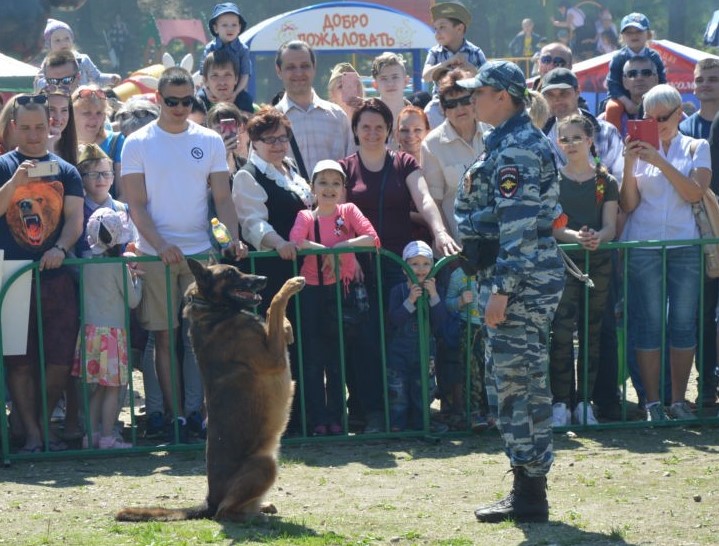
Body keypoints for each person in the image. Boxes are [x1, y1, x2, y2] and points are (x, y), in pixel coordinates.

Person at [454, 61, 565, 523]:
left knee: (517, 387)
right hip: (516, 278)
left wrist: (501, 291)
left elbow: (517, 230)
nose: (469, 100)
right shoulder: (507, 140)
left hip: (518, 284)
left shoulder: (517, 149)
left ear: (503, 96)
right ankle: (527, 484)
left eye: (477, 93)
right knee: (515, 384)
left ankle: (530, 493)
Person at [122, 67, 246, 443]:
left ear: (194, 99)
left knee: (198, 338)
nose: (179, 107)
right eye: (171, 101)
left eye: (186, 101)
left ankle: (196, 414)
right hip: (154, 253)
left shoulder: (209, 140)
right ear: (158, 99)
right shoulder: (137, 142)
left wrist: (232, 240)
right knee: (163, 338)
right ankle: (172, 416)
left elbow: (222, 199)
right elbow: (135, 206)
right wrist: (160, 246)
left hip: (199, 254)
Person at [340, 98, 460, 433]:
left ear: (388, 131)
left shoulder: (404, 162)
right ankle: (373, 412)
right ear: (355, 130)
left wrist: (438, 231)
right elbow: (335, 217)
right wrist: (347, 257)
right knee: (365, 341)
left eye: (379, 126)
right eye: (366, 126)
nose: (373, 132)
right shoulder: (345, 167)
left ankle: (414, 412)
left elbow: (423, 198)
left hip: (400, 266)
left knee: (405, 338)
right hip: (359, 269)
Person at [620, 84, 712, 422]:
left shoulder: (696, 146)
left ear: (679, 114)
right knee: (649, 323)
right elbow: (628, 203)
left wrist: (659, 159)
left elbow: (693, 192)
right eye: (647, 117)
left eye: (662, 117)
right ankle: (653, 403)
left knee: (683, 324)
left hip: (685, 244)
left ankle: (677, 399)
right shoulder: (634, 149)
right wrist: (630, 164)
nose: (655, 123)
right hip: (643, 243)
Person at [0, 93, 84, 453]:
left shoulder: (67, 170)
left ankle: (38, 423)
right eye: (27, 127)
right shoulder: (4, 166)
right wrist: (16, 182)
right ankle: (33, 434)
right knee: (17, 361)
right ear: (15, 127)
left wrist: (60, 248)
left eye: (40, 127)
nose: (34, 135)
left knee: (60, 361)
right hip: (12, 272)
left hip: (56, 275)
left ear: (50, 125)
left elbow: (75, 221)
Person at [289, 160, 379, 436]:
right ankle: (318, 419)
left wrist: (339, 247)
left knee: (338, 359)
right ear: (312, 187)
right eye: (323, 182)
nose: (329, 188)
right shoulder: (306, 216)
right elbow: (295, 241)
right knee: (313, 360)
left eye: (336, 183)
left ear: (343, 188)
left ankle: (338, 418)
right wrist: (326, 251)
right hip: (311, 293)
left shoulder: (348, 210)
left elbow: (372, 238)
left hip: (341, 291)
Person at [549, 114, 619, 427]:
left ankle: (585, 403)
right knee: (561, 334)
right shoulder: (554, 180)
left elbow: (610, 226)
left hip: (598, 264)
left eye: (577, 138)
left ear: (590, 140)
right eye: (564, 139)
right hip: (565, 263)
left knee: (591, 333)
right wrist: (576, 237)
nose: (571, 144)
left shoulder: (606, 180)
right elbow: (553, 224)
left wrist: (596, 238)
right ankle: (561, 402)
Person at [72, 207, 142, 450]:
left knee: (97, 390)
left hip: (90, 333)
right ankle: (108, 437)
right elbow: (133, 300)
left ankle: (89, 436)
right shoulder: (118, 267)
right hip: (113, 335)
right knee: (112, 389)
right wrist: (136, 278)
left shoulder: (86, 265)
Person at [679, 58, 719, 410]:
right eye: (700, 78)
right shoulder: (686, 128)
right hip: (700, 231)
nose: (706, 84)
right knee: (703, 315)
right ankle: (706, 387)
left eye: (713, 79)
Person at [421, 69, 489, 241]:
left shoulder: (494, 133)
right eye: (451, 104)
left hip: (497, 245)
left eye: (465, 100)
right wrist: (450, 246)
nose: (459, 108)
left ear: (475, 101)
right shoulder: (432, 145)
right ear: (443, 109)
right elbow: (434, 204)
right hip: (458, 247)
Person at [386, 240, 447, 432]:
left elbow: (440, 321)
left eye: (426, 263)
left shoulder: (435, 291)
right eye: (414, 263)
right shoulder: (398, 291)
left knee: (423, 389)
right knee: (398, 390)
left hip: (425, 349)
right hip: (399, 351)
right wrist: (410, 300)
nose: (420, 268)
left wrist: (434, 296)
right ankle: (398, 424)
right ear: (405, 268)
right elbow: (394, 319)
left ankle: (422, 423)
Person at [274, 40, 351, 180]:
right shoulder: (271, 120)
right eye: (290, 67)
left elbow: (351, 169)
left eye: (305, 66)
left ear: (314, 67)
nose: (299, 73)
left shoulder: (338, 117)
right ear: (279, 71)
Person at [540, 68, 624, 182]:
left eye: (564, 93)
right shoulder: (540, 138)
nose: (557, 99)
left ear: (578, 92)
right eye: (550, 95)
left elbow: (620, 179)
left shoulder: (606, 133)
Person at [444, 262, 491, 431]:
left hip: (493, 326)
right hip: (468, 327)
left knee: (491, 368)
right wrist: (461, 301)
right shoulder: (458, 274)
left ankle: (492, 411)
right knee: (471, 371)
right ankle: (474, 412)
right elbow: (448, 303)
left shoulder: (495, 268)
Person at [604, 13, 667, 132]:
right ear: (622, 36)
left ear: (648, 34)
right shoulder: (618, 58)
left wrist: (649, 100)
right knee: (612, 108)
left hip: (651, 97)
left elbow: (662, 82)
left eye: (638, 31)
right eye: (629, 33)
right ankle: (613, 141)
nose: (634, 35)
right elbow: (613, 85)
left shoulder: (654, 57)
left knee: (670, 107)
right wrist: (627, 103)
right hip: (622, 98)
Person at [74, 144, 133, 258]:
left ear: (113, 178)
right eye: (93, 174)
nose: (101, 179)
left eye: (106, 174)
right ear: (81, 179)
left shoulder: (123, 210)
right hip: (88, 274)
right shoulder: (76, 213)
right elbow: (71, 253)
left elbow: (133, 243)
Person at [35, 19, 120, 92]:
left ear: (72, 40)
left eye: (67, 38)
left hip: (83, 100)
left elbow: (97, 78)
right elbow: (38, 81)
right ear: (49, 44)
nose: (63, 43)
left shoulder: (82, 59)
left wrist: (111, 78)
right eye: (57, 40)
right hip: (60, 102)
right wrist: (50, 85)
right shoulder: (48, 63)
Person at [198, 2, 253, 113]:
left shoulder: (243, 50)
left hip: (235, 89)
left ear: (239, 28)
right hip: (212, 88)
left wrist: (235, 93)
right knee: (198, 100)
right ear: (216, 28)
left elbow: (244, 75)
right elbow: (203, 75)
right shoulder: (210, 48)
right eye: (224, 25)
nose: (230, 29)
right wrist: (207, 91)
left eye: (234, 25)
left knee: (246, 100)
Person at [422, 1, 486, 91]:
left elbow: (487, 80)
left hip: (470, 100)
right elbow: (425, 76)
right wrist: (448, 62)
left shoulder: (475, 52)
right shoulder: (435, 52)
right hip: (440, 101)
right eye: (435, 28)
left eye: (442, 27)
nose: (437, 33)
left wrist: (468, 66)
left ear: (459, 29)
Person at [72, 85, 124, 192]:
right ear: (72, 114)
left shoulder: (117, 141)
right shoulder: (60, 144)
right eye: (87, 113)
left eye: (99, 113)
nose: (94, 119)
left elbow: (123, 193)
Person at [395, 106, 432, 245]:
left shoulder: (436, 165)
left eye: (417, 130)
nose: (411, 135)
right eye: (404, 130)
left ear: (428, 132)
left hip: (433, 246)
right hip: (398, 245)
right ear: (396, 134)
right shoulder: (387, 166)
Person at [600, 56, 660, 137]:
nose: (639, 78)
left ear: (656, 79)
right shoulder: (606, 119)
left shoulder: (672, 114)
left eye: (646, 73)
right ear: (624, 82)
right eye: (632, 74)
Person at [197, 50, 253, 115]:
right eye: (215, 75)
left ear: (236, 79)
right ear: (205, 80)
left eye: (227, 75)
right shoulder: (194, 111)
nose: (222, 82)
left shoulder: (255, 114)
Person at [371, 52, 410, 139]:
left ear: (406, 81)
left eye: (395, 77)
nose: (390, 83)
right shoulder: (367, 118)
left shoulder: (418, 117)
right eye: (384, 78)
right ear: (375, 85)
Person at [206, 102, 251, 177]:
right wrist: (222, 154)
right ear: (209, 130)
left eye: (230, 127)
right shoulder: (203, 160)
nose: (225, 133)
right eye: (219, 128)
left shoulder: (243, 163)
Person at [43, 85, 78, 165]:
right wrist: (49, 145)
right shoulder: (27, 150)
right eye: (51, 109)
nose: (58, 118)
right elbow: (49, 176)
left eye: (64, 110)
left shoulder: (78, 152)